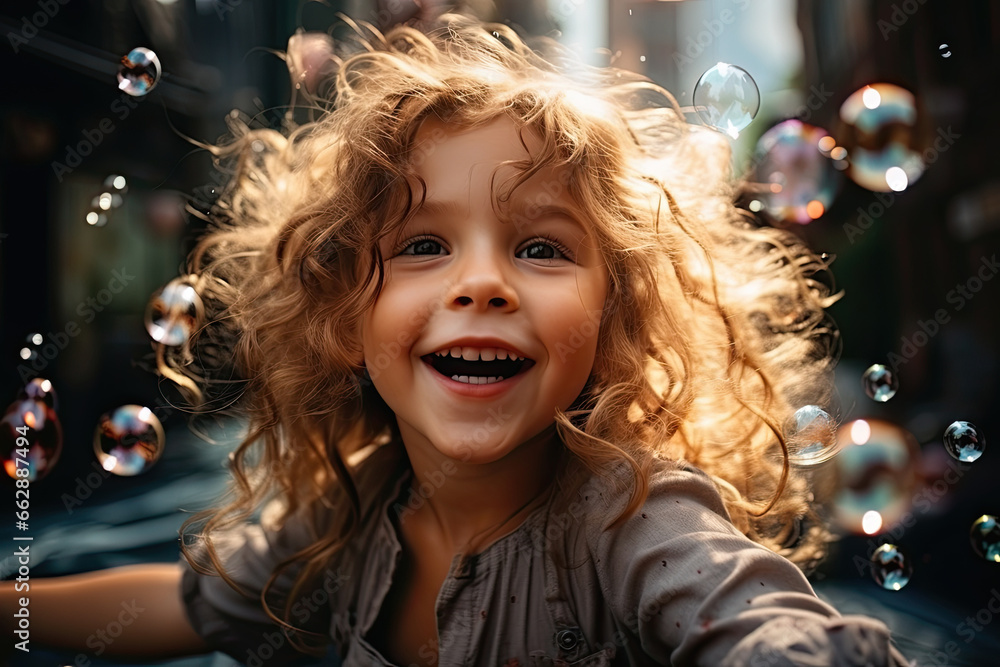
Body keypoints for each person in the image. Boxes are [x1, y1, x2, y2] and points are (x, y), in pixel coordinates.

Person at [3, 12, 911, 666]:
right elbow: (187, 606)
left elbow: (763, 624)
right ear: (344, 320)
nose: (481, 282)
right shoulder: (346, 511)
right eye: (424, 246)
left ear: (614, 319)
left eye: (541, 247)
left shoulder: (637, 523)